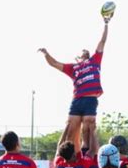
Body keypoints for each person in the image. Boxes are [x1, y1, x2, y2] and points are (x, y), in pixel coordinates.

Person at [38, 15, 111, 156]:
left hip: (90, 99)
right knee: (71, 126)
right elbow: (54, 63)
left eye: (86, 52)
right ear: (77, 57)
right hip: (77, 100)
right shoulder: (74, 68)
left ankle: (90, 156)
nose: (84, 53)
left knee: (89, 124)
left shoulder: (95, 60)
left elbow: (102, 41)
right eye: (82, 52)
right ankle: (66, 156)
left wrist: (106, 24)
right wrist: (46, 54)